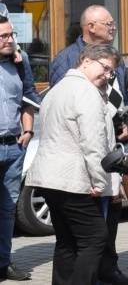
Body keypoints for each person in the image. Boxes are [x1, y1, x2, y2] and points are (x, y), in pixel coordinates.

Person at [49, 6, 128, 285]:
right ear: (90, 26)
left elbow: (117, 101)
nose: (113, 27)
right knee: (91, 236)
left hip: (110, 146)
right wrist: (102, 182)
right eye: (107, 23)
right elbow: (85, 134)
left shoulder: (110, 59)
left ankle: (107, 270)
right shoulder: (69, 65)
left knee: (96, 230)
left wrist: (120, 125)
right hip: (84, 166)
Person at [27, 44, 121, 284]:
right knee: (95, 237)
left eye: (112, 72)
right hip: (71, 179)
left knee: (67, 241)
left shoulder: (57, 89)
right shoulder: (86, 92)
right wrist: (101, 183)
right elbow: (94, 144)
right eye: (106, 68)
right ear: (87, 60)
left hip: (47, 177)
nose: (108, 75)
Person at [0, 16, 38, 281]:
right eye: (4, 36)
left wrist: (28, 131)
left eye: (11, 35)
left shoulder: (19, 61)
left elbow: (29, 98)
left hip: (14, 147)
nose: (11, 40)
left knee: (7, 209)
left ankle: (4, 262)